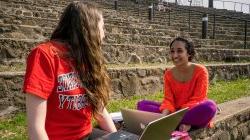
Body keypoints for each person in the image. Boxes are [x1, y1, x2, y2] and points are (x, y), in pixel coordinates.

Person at [23, 2, 117, 140]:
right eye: (103, 27)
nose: (104, 33)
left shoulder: (86, 58)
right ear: (89, 28)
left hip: (87, 134)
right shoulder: (44, 55)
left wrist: (118, 137)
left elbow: (100, 109)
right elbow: (36, 127)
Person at [137, 37, 217, 132]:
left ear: (189, 53)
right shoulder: (168, 74)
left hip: (191, 110)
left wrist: (176, 114)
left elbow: (198, 99)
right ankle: (183, 123)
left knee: (210, 107)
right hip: (174, 111)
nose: (175, 55)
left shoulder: (201, 71)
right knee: (142, 105)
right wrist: (163, 116)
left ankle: (171, 123)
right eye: (172, 51)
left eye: (179, 51)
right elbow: (168, 100)